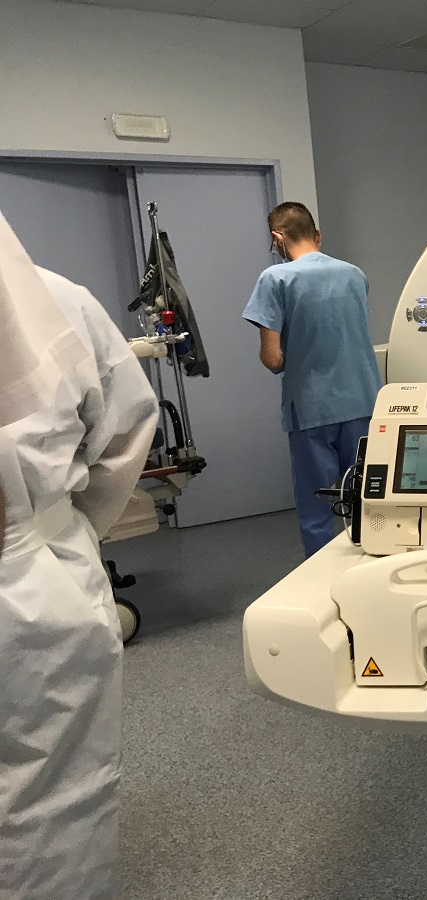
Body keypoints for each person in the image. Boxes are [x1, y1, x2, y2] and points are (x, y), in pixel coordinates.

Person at [1, 209, 158, 899]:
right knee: (51, 800)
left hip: (28, 552)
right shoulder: (59, 302)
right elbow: (126, 431)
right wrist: (70, 531)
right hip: (30, 570)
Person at [243, 201, 382, 557]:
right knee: (366, 500)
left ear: (277, 239)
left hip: (311, 410)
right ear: (317, 235)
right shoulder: (355, 274)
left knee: (316, 508)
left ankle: (321, 582)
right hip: (364, 403)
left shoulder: (275, 279)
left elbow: (272, 358)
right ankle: (371, 569)